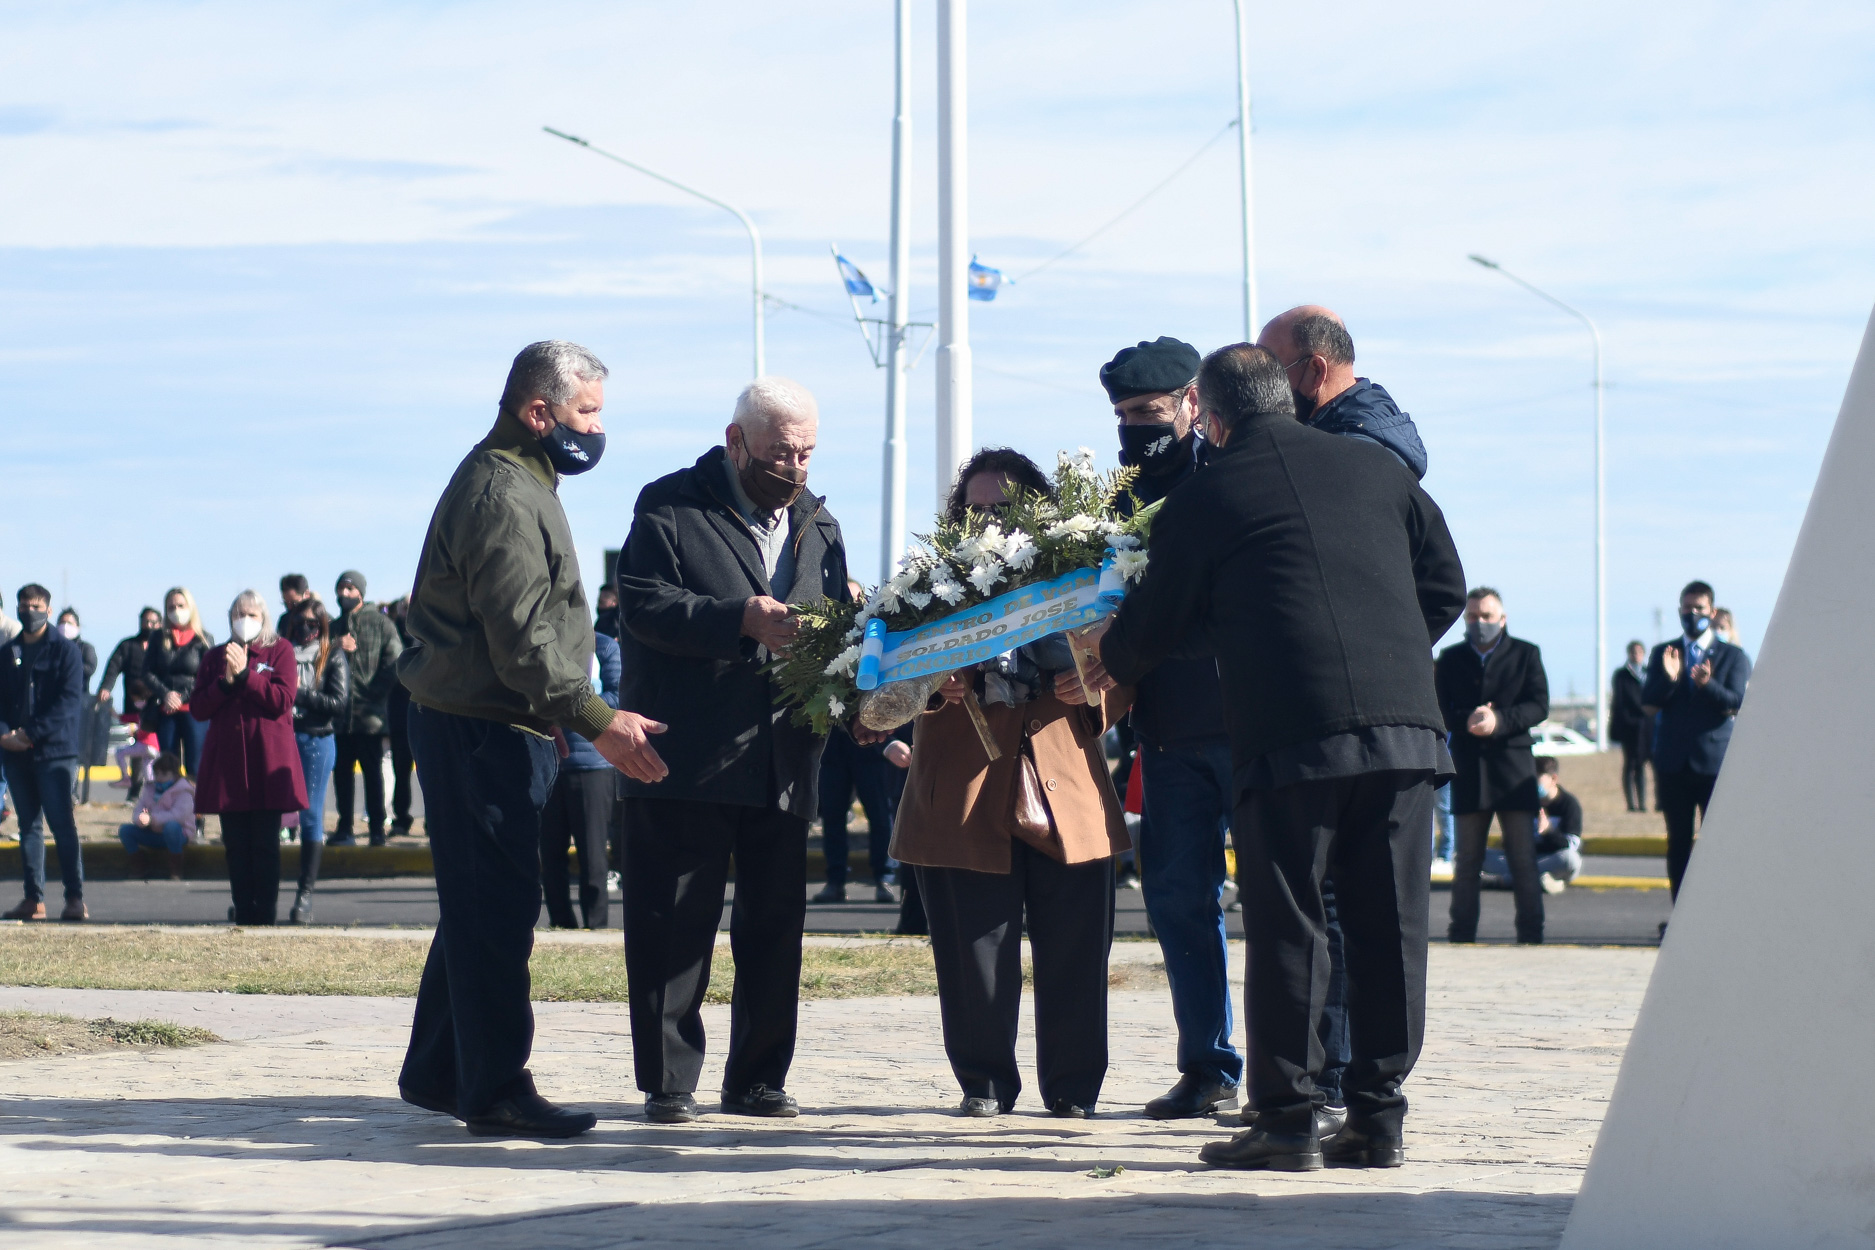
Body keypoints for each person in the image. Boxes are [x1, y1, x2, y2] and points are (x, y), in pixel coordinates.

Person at [1087, 342, 1466, 1171]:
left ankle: (1287, 1123)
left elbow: (1149, 631)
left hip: (1290, 738)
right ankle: (1376, 1119)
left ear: (1212, 420)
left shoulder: (1206, 496)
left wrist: (1116, 652)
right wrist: (1390, 654)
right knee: (1389, 929)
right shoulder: (1378, 471)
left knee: (1290, 925)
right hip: (1406, 733)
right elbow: (1443, 587)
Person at [396, 339, 666, 1139]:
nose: (597, 428)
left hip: (494, 723)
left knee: (480, 904)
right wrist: (597, 720)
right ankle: (494, 1090)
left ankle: (440, 1070)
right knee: (495, 911)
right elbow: (521, 640)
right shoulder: (503, 492)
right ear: (539, 411)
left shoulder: (522, 479)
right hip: (480, 729)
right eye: (587, 412)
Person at [616, 375, 847, 1124]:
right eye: (781, 453)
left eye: (807, 453)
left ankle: (757, 1079)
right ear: (736, 441)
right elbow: (643, 604)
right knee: (673, 927)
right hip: (685, 756)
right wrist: (737, 619)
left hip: (783, 756)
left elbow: (837, 625)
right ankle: (668, 1083)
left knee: (774, 930)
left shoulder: (820, 523)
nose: (795, 468)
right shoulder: (670, 504)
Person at [890, 450, 1132, 1118]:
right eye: (976, 510)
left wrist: (1092, 680)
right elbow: (882, 686)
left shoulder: (1082, 578)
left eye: (1007, 507)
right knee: (972, 956)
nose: (992, 520)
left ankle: (1074, 1090)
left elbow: (1126, 672)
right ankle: (984, 1084)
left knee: (1076, 953)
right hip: (960, 793)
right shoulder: (924, 583)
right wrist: (932, 680)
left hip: (1068, 788)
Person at [1097, 336, 1260, 1120]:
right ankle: (1207, 1064)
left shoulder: (1231, 478)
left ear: (1193, 403)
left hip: (1246, 725)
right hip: (1164, 734)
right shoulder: (1114, 502)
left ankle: (1302, 1073)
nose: (1137, 426)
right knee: (1175, 901)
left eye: (1150, 410)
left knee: (1278, 902)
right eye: (1124, 414)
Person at [1437, 587, 1551, 946]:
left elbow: (1539, 705)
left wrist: (1499, 720)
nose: (1479, 622)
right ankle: (1461, 934)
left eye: (1486, 616)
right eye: (1472, 616)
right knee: (1467, 861)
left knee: (1523, 859)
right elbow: (1438, 708)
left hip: (1514, 771)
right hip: (1470, 770)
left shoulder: (1526, 654)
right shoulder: (1450, 658)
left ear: (1502, 619)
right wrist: (1467, 719)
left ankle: (1531, 934)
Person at [192, 590, 306, 926]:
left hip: (267, 761)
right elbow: (198, 707)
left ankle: (265, 913)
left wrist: (246, 676)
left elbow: (282, 699)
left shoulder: (280, 650)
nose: (245, 620)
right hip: (228, 764)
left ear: (263, 617)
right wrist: (226, 684)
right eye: (239, 614)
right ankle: (242, 910)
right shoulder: (215, 656)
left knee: (265, 845)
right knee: (236, 845)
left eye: (252, 614)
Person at [1642, 580, 1750, 905]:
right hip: (1673, 764)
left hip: (1714, 764)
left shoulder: (1732, 655)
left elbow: (1737, 702)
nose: (1693, 614)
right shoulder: (1664, 652)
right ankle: (1680, 916)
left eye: (1699, 608)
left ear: (1712, 612)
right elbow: (1648, 704)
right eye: (1687, 608)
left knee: (1717, 842)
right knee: (1678, 842)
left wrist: (1708, 684)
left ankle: (1717, 912)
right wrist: (1671, 678)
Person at [0, 583, 90, 921]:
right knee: (29, 827)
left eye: (36, 606)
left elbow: (68, 702)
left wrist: (31, 734)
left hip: (55, 753)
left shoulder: (66, 652)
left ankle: (75, 898)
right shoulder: (8, 652)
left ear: (48, 611)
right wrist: (5, 735)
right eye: (24, 606)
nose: (30, 612)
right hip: (16, 753)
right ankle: (33, 899)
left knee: (62, 825)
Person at [1257, 306, 1428, 479]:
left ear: (1316, 370)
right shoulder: (1375, 443)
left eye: (1270, 374)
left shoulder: (1342, 463)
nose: (1261, 387)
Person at [539, 628, 621, 930]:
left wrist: (570, 704)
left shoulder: (604, 646)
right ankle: (561, 924)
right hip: (549, 765)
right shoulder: (542, 645)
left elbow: (618, 695)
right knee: (550, 854)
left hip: (592, 766)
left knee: (593, 854)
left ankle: (596, 925)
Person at [287, 597, 349, 923]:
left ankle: (305, 894)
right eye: (299, 622)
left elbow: (338, 702)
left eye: (312, 623)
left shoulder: (332, 655)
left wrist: (300, 694)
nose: (305, 628)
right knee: (273, 815)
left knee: (310, 815)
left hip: (316, 739)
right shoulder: (282, 653)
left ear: (322, 624)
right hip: (283, 738)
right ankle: (260, 892)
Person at [330, 570, 403, 847]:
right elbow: (316, 661)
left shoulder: (382, 624)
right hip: (339, 718)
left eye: (350, 589)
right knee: (342, 775)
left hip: (370, 718)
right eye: (341, 589)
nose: (344, 594)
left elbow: (395, 661)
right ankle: (344, 828)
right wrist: (335, 645)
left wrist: (373, 694)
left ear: (361, 592)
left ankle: (376, 829)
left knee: (373, 775)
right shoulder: (333, 627)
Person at [142, 587, 212, 780]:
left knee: (196, 766)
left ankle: (194, 800)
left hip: (194, 710)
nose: (176, 611)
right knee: (168, 765)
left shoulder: (203, 639)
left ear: (190, 607)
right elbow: (147, 672)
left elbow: (208, 675)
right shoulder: (158, 637)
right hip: (166, 709)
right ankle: (169, 798)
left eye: (181, 606)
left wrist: (182, 697)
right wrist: (166, 694)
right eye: (171, 607)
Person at [1485, 755, 1582, 891]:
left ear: (1553, 779)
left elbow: (1571, 846)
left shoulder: (1569, 805)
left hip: (1550, 859)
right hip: (1525, 859)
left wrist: (1548, 831)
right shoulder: (1526, 800)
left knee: (1570, 860)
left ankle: (1504, 881)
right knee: (1480, 856)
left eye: (1537, 778)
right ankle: (1539, 881)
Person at [57, 608, 108, 803]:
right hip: (54, 704)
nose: (65, 626)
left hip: (78, 703)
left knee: (74, 751)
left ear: (78, 626)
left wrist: (68, 666)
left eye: (70, 623)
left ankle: (72, 792)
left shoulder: (85, 648)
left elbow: (90, 667)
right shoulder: (52, 647)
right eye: (62, 622)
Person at [118, 751, 194, 880]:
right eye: (157, 774)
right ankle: (140, 865)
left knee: (171, 827)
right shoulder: (150, 789)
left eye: (164, 774)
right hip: (154, 833)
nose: (159, 778)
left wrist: (152, 819)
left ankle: (176, 868)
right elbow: (139, 808)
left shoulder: (184, 791)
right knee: (125, 830)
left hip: (179, 834)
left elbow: (178, 816)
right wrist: (140, 819)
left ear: (175, 775)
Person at [384, 595, 418, 837]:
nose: (407, 612)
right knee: (400, 771)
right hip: (399, 716)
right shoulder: (392, 637)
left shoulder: (428, 635)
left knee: (431, 773)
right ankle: (401, 818)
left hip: (426, 714)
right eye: (404, 608)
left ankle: (432, 820)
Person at [1609, 640, 1651, 812]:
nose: (1636, 656)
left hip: (1647, 727)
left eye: (1639, 652)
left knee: (1643, 765)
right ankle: (1631, 805)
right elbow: (1619, 702)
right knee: (1630, 764)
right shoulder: (1621, 675)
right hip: (1629, 727)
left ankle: (1643, 803)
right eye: (1633, 652)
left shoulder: (1649, 673)